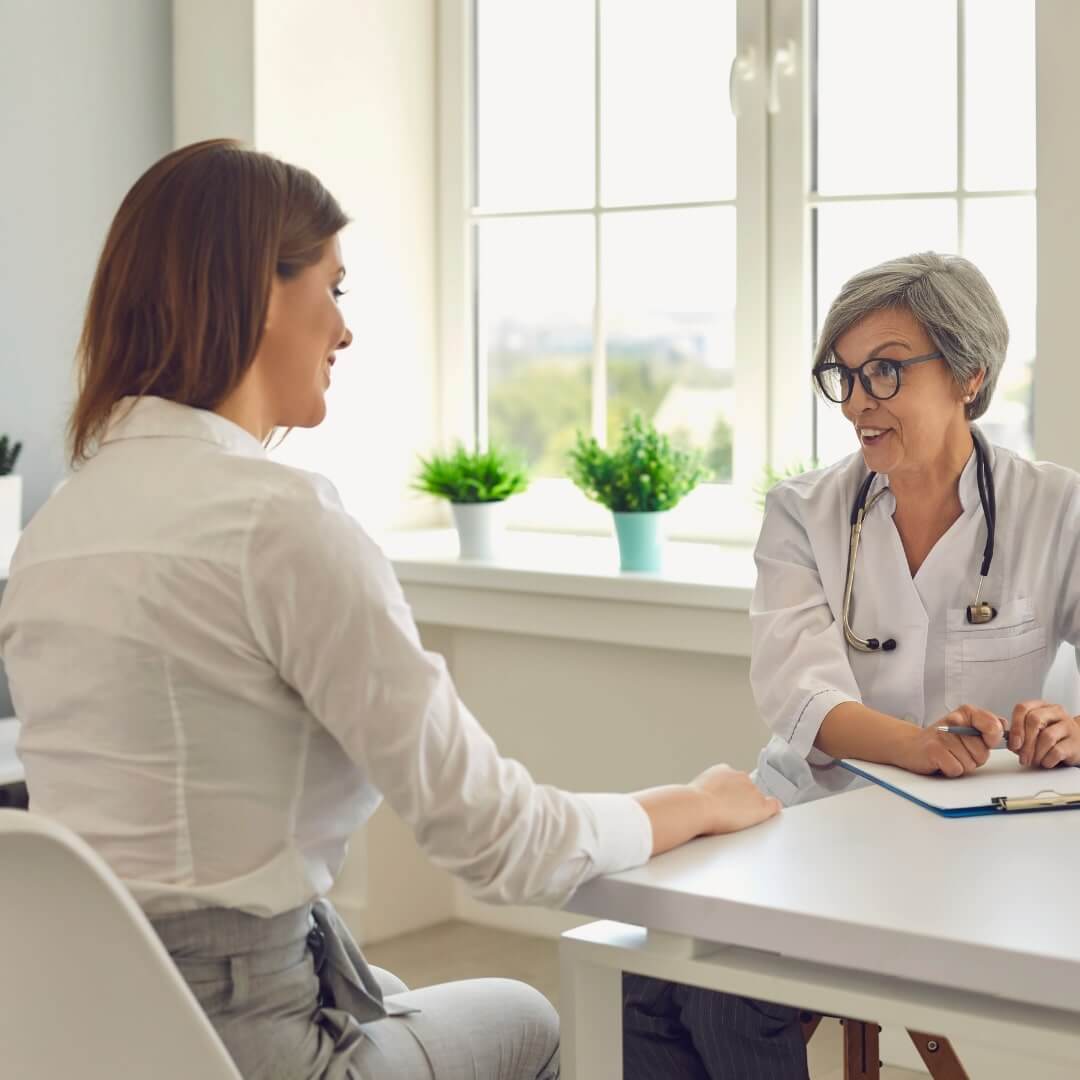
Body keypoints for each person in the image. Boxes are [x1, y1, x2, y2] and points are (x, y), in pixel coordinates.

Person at [0, 139, 781, 1080]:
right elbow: (501, 844)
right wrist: (690, 803)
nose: (344, 329)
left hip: (82, 1037)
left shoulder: (56, 526)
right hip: (252, 1045)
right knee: (528, 1014)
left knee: (414, 993)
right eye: (333, 288)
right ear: (256, 290)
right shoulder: (276, 520)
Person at [623, 252, 1080, 1078]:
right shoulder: (804, 513)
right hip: (809, 809)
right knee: (648, 973)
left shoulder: (1056, 508)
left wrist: (1069, 728)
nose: (859, 401)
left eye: (885, 371)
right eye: (845, 375)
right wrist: (919, 745)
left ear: (969, 376)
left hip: (964, 841)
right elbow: (799, 695)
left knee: (723, 987)